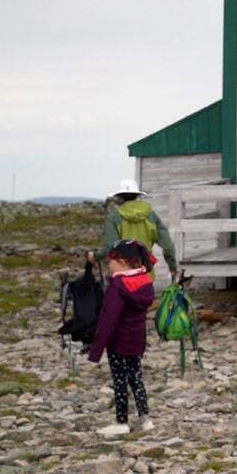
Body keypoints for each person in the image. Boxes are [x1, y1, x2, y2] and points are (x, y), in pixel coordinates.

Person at [88, 239, 157, 437]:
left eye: (112, 260)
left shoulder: (118, 286)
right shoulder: (145, 281)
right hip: (136, 340)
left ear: (123, 261)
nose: (109, 264)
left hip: (117, 342)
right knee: (136, 377)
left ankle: (121, 421)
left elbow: (108, 318)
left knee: (119, 380)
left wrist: (96, 350)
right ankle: (145, 419)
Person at [100, 179, 178, 277]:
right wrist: (173, 267)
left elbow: (109, 247)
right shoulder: (151, 216)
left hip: (122, 275)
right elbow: (168, 247)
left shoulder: (113, 218)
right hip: (146, 274)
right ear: (137, 195)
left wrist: (95, 256)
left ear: (119, 197)